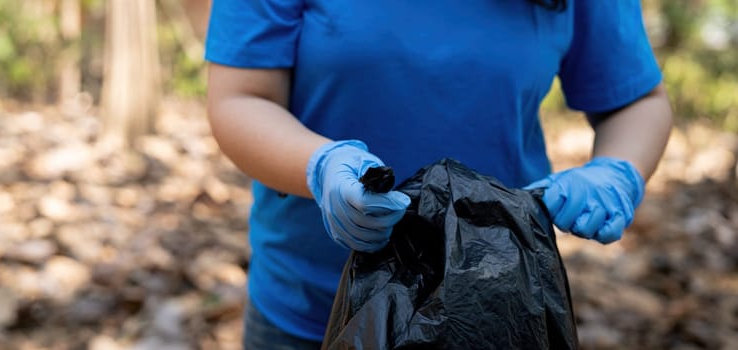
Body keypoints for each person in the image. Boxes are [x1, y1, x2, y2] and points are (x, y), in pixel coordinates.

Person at [204, 0, 673, 348]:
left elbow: (634, 100)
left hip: (500, 307)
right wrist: (319, 165)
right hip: (309, 303)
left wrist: (617, 171)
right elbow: (242, 97)